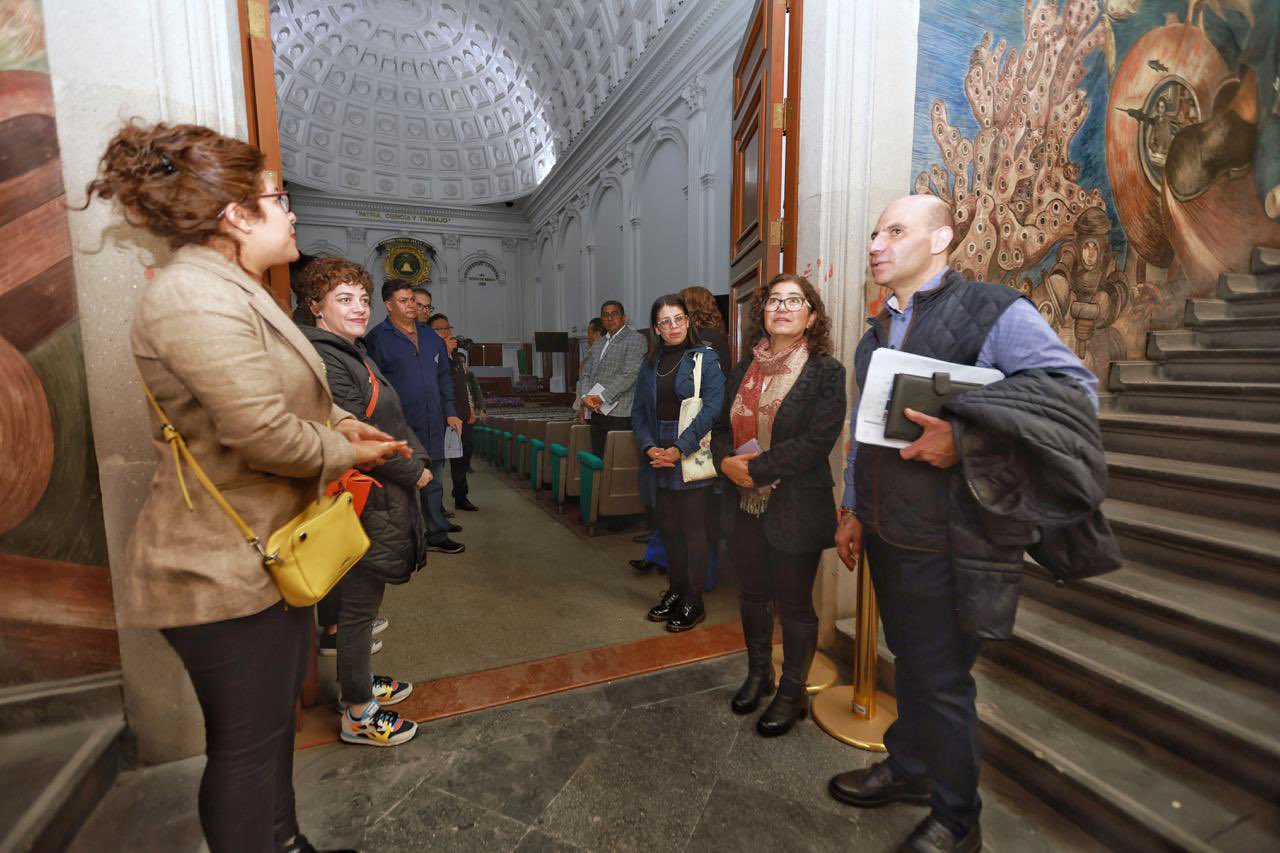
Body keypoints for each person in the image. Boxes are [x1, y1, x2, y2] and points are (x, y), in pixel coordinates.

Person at [86, 120, 406, 853]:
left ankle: (288, 843)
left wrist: (345, 426)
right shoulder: (193, 295)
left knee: (269, 736)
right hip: (220, 567)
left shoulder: (238, 287)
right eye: (279, 199)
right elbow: (264, 435)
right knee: (246, 749)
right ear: (236, 213)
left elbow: (298, 397)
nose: (292, 213)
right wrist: (338, 446)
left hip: (263, 556)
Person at [827, 194, 1103, 853]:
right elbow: (866, 437)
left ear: (942, 238)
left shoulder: (993, 311)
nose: (876, 243)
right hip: (890, 533)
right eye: (874, 231)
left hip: (957, 538)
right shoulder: (875, 338)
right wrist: (853, 506)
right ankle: (911, 767)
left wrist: (965, 435)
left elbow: (1073, 395)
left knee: (941, 679)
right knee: (914, 665)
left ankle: (958, 818)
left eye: (895, 229)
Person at [297, 257, 428, 748]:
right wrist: (414, 469)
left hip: (377, 493)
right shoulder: (325, 356)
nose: (358, 308)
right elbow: (357, 438)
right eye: (343, 299)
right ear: (315, 307)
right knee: (357, 608)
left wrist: (419, 454)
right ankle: (357, 711)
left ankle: (359, 679)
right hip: (359, 494)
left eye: (362, 299)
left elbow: (392, 417)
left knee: (360, 607)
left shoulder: (351, 350)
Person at [711, 273, 846, 738]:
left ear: (811, 316)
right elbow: (721, 427)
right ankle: (758, 674)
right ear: (761, 313)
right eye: (773, 301)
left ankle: (791, 694)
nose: (782, 308)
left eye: (795, 301)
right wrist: (725, 463)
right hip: (743, 504)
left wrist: (759, 468)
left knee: (794, 604)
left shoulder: (826, 371)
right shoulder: (740, 369)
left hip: (796, 505)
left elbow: (817, 440)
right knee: (751, 593)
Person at [631, 295, 724, 632]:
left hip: (690, 449)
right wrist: (649, 448)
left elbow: (714, 408)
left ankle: (694, 600)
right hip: (659, 451)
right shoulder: (649, 363)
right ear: (656, 328)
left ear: (689, 321)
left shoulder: (704, 359)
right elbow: (639, 412)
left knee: (692, 531)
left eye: (679, 319)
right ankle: (676, 591)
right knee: (669, 527)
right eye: (665, 321)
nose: (673, 327)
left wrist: (678, 448)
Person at [364, 281, 466, 554]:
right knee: (400, 482)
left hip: (433, 419)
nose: (411, 305)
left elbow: (444, 378)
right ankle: (402, 536)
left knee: (434, 479)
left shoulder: (431, 337)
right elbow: (372, 384)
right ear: (388, 305)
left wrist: (451, 412)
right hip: (399, 423)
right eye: (403, 300)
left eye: (413, 300)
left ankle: (436, 532)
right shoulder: (377, 338)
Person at [577, 300, 646, 457]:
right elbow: (587, 374)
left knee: (616, 462)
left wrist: (600, 398)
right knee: (598, 459)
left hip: (619, 414)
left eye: (614, 314)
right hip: (595, 412)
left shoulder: (636, 339)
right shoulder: (598, 343)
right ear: (602, 319)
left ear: (624, 317)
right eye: (605, 315)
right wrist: (584, 398)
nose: (610, 318)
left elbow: (630, 374)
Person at [428, 312, 479, 512]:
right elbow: (434, 382)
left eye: (447, 328)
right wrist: (443, 354)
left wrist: (471, 408)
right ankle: (436, 505)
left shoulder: (458, 357)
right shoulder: (429, 356)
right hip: (440, 416)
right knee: (438, 463)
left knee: (463, 458)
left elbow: (464, 385)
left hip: (462, 415)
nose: (445, 332)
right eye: (439, 329)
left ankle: (461, 496)